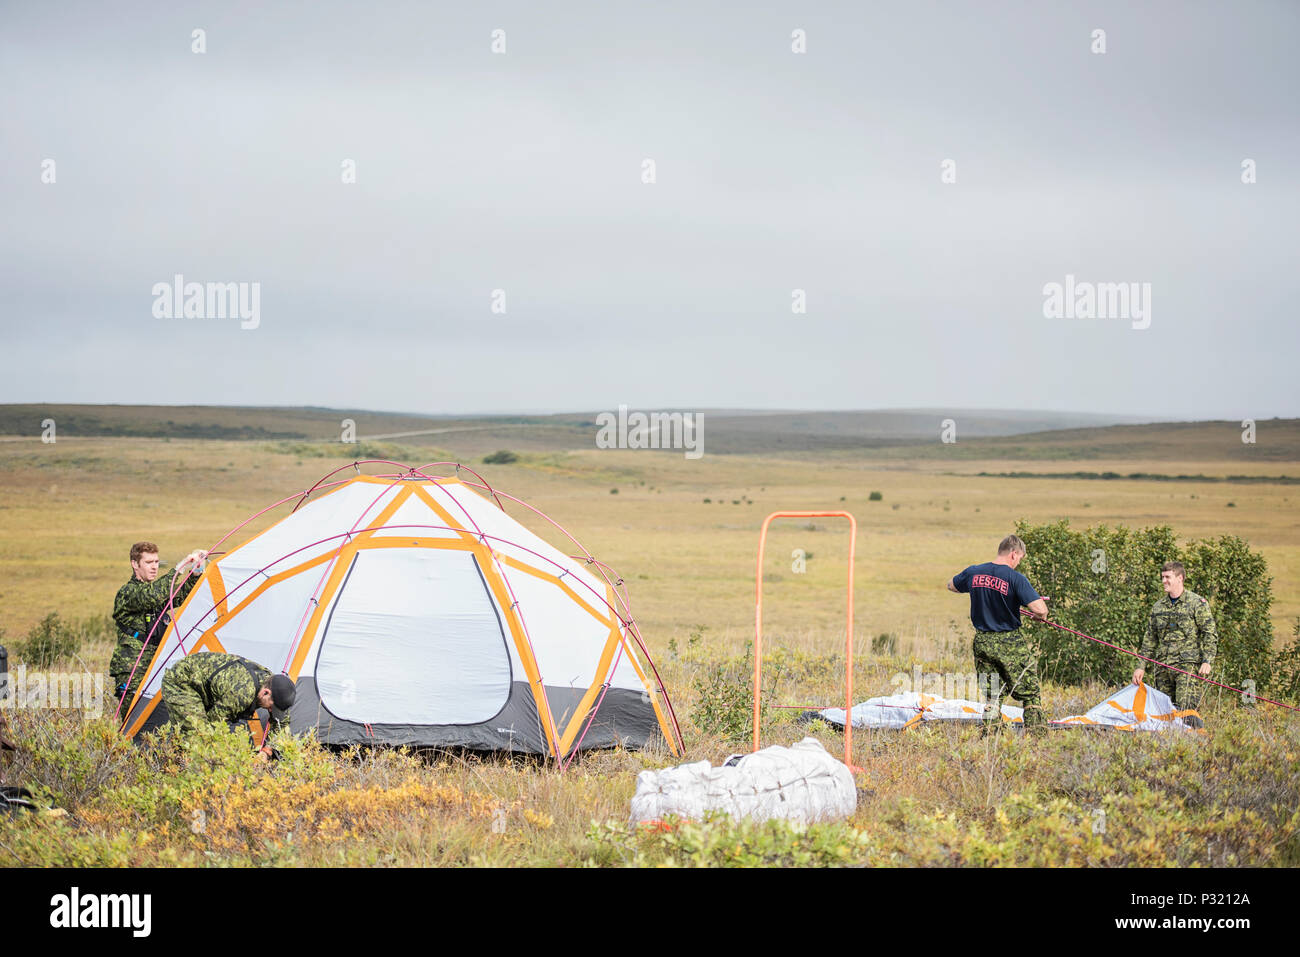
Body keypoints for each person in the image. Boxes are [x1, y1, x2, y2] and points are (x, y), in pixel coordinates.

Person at [947, 535, 1051, 734]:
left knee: (992, 693)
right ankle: (1038, 735)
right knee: (1029, 691)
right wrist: (1039, 616)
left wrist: (980, 592)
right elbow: (1040, 609)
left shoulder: (973, 572)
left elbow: (951, 585)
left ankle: (992, 736)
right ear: (1014, 554)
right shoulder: (1015, 578)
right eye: (1019, 558)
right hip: (1009, 641)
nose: (1018, 563)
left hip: (983, 640)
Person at [109, 541, 207, 705]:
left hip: (153, 667)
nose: (154, 567)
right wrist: (177, 570)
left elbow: (179, 595)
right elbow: (152, 595)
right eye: (148, 562)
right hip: (132, 670)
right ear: (135, 564)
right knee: (132, 724)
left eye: (156, 562)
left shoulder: (154, 593)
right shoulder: (128, 593)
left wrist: (195, 574)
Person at [161, 651, 295, 759]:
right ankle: (175, 768)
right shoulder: (242, 694)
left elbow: (282, 724)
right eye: (271, 707)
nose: (271, 710)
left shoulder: (277, 689)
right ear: (266, 693)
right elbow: (213, 725)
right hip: (182, 683)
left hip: (212, 690)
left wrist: (266, 752)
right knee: (198, 737)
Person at [1133, 561, 1217, 727]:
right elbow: (1150, 638)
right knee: (1163, 712)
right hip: (1162, 668)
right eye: (1162, 577)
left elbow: (1209, 634)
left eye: (1168, 577)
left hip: (1186, 667)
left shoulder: (1196, 604)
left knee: (1186, 710)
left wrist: (1207, 661)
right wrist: (1141, 666)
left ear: (1180, 578)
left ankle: (1195, 745)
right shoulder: (1158, 607)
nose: (1164, 581)